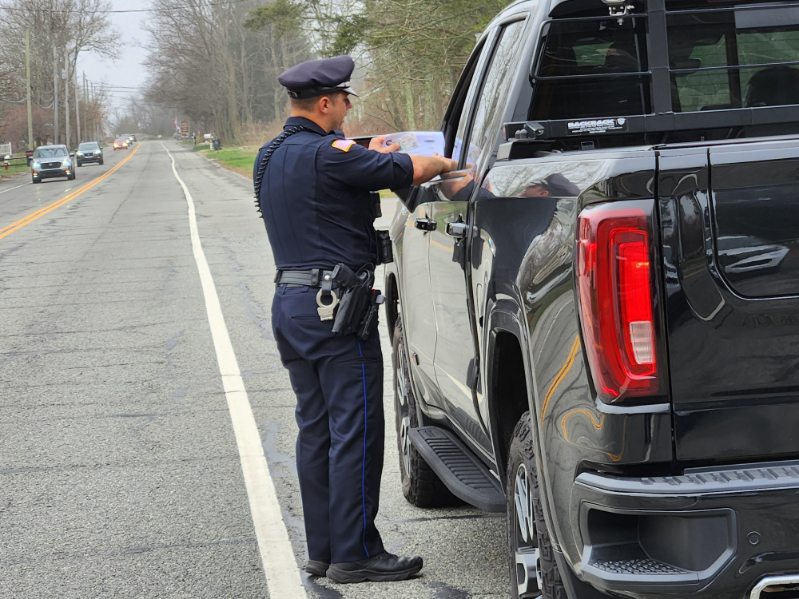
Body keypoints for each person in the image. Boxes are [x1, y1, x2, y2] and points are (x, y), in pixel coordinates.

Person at [253, 54, 458, 584]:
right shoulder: (330, 153)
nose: (348, 108)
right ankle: (357, 552)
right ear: (324, 103)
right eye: (344, 100)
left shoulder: (268, 156)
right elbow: (410, 170)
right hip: (336, 311)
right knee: (356, 428)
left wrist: (372, 156)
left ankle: (323, 550)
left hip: (292, 306)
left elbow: (342, 179)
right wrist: (441, 162)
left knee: (316, 429)